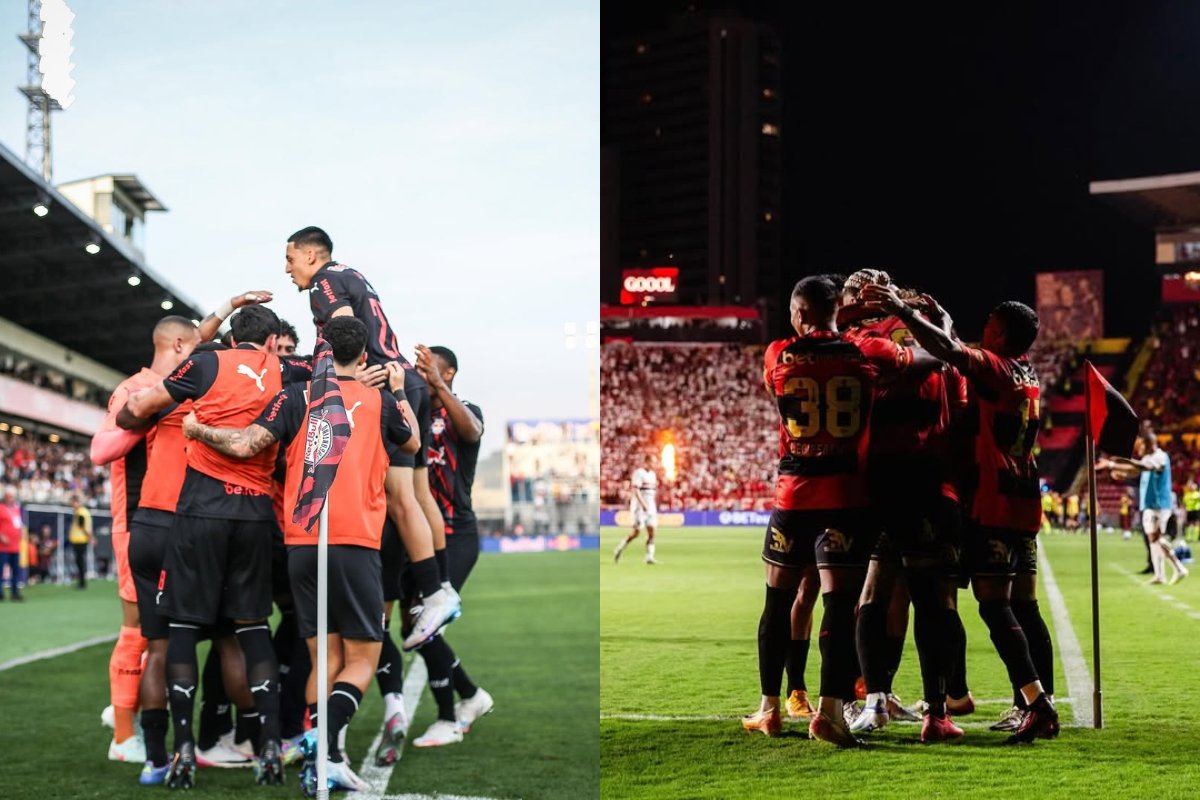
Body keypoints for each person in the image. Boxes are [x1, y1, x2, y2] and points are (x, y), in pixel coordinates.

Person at [180, 316, 419, 792]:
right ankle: (322, 742)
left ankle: (326, 758)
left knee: (321, 658)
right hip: (355, 541)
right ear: (364, 356)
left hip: (304, 542)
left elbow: (245, 444)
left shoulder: (296, 395)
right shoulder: (380, 402)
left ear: (321, 350)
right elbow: (412, 440)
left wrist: (197, 428)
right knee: (363, 658)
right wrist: (398, 391)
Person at [862, 284, 1060, 744]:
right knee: (1024, 606)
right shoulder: (1026, 371)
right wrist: (943, 320)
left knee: (992, 605)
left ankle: (1037, 704)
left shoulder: (995, 367)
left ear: (1002, 334)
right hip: (1024, 499)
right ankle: (1033, 701)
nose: (984, 326)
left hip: (994, 503)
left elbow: (950, 351)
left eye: (991, 322)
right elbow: (956, 348)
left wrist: (901, 311)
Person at [123, 305, 307, 788]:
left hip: (199, 513)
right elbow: (331, 371)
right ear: (272, 341)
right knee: (252, 629)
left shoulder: (206, 364)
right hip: (254, 515)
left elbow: (140, 407)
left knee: (180, 631)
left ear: (230, 339)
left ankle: (182, 748)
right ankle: (268, 744)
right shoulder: (288, 370)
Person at [743, 275, 930, 747]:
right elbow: (931, 357)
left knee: (777, 603)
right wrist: (893, 312)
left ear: (800, 312)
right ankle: (829, 713)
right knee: (840, 607)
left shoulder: (779, 354)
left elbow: (798, 351)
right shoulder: (867, 351)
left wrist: (836, 314)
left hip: (795, 494)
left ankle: (769, 709)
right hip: (848, 495)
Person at [284, 226, 458, 647]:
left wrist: (346, 375)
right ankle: (441, 586)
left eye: (290, 259)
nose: (287, 269)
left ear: (311, 255)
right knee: (418, 494)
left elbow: (345, 330)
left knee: (399, 498)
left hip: (381, 380)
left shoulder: (323, 282)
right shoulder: (352, 274)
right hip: (406, 378)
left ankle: (434, 594)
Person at [839, 271, 969, 741]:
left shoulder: (860, 341)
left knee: (873, 594)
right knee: (932, 599)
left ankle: (875, 701)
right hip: (934, 480)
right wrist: (944, 327)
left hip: (880, 481)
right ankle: (938, 711)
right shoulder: (939, 339)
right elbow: (960, 401)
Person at [91, 315, 207, 766]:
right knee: (138, 629)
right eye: (194, 347)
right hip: (136, 522)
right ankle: (123, 734)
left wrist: (229, 306)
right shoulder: (135, 388)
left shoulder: (182, 383)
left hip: (175, 522)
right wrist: (147, 414)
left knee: (175, 629)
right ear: (178, 345)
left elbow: (198, 337)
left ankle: (129, 707)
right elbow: (100, 450)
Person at [408, 343, 494, 746]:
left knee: (426, 622)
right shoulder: (414, 413)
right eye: (418, 369)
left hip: (456, 533)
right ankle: (471, 696)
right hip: (419, 536)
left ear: (449, 374)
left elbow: (473, 432)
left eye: (429, 370)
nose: (421, 375)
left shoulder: (465, 410)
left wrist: (438, 387)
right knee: (413, 624)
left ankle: (448, 718)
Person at [1098, 430, 1189, 585]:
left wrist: (1113, 464)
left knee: (1156, 538)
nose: (1139, 448)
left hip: (1159, 505)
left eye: (1142, 445)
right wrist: (1121, 472)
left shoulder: (1161, 457)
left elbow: (1145, 467)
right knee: (1152, 540)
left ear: (1149, 444)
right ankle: (1160, 575)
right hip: (1148, 504)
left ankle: (1179, 568)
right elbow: (1135, 471)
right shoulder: (1147, 458)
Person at [613, 454, 659, 564]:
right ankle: (619, 548)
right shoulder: (639, 473)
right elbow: (636, 490)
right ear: (647, 462)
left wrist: (651, 505)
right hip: (640, 508)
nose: (655, 464)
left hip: (651, 507)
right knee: (636, 533)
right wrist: (643, 504)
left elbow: (651, 492)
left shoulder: (653, 475)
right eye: (653, 462)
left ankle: (649, 557)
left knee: (652, 532)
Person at [0, 487, 25, 601]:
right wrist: (1, 536)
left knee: (15, 571)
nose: (11, 499)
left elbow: (19, 523)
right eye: (10, 497)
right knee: (0, 570)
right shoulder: (1, 508)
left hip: (15, 546)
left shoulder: (16, 509)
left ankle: (15, 593)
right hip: (2, 547)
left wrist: (22, 531)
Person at [67, 495, 93, 589]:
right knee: (79, 561)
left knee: (80, 561)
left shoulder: (80, 513)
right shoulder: (81, 512)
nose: (72, 505)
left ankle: (82, 583)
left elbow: (83, 527)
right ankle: (81, 582)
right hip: (79, 540)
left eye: (72, 503)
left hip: (80, 540)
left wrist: (91, 537)